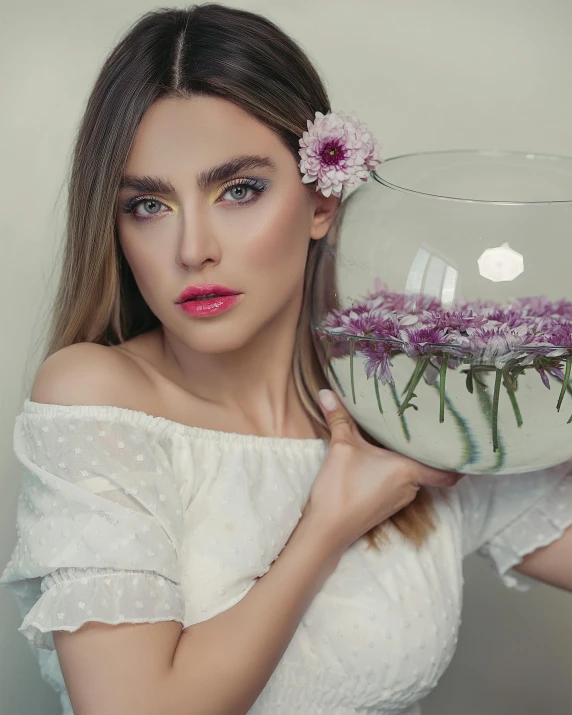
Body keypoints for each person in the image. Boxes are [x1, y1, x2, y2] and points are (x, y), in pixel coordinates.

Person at [1, 4, 571, 715]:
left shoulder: (400, 401)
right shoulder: (100, 395)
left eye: (238, 190)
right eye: (149, 205)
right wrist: (329, 522)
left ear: (322, 197)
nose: (193, 248)